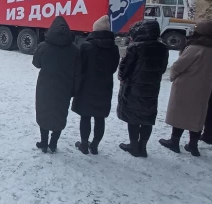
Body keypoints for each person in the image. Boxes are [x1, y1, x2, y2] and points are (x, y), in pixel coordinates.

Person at [159, 21, 212, 157]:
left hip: (186, 85)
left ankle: (174, 142)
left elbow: (178, 65)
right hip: (204, 86)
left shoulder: (196, 47)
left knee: (180, 113)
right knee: (197, 116)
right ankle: (193, 145)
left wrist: (174, 77)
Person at [117, 20, 169, 157]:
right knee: (147, 116)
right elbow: (162, 68)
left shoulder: (135, 47)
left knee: (133, 116)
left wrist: (122, 78)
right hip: (152, 87)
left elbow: (124, 69)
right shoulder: (163, 48)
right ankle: (143, 146)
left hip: (134, 87)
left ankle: (134, 145)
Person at [71, 15, 120, 155]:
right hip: (105, 86)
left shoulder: (86, 46)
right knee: (100, 117)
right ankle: (95, 145)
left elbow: (79, 68)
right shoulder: (114, 48)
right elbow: (113, 68)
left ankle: (84, 144)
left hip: (87, 86)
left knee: (85, 116)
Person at [32, 16, 81, 153]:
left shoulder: (43, 46)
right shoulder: (74, 49)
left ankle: (43, 142)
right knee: (59, 114)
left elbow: (36, 64)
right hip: (64, 88)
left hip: (45, 87)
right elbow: (78, 72)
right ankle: (53, 144)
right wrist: (75, 90)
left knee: (44, 112)